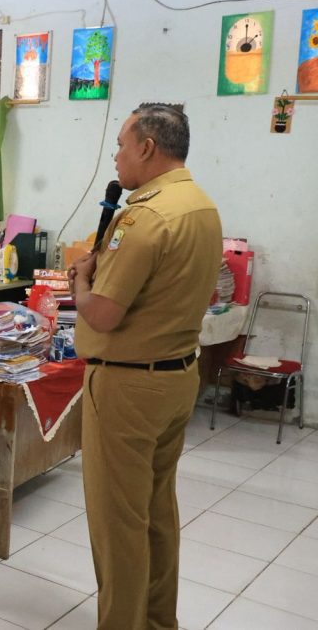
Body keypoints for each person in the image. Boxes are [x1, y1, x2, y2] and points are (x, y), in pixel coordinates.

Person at [69, 103, 222, 629]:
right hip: (177, 378)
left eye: (119, 144)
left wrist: (81, 282)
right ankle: (159, 623)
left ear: (147, 148)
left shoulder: (146, 216)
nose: (115, 156)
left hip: (128, 388)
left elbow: (104, 313)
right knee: (157, 514)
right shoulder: (200, 205)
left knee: (119, 526)